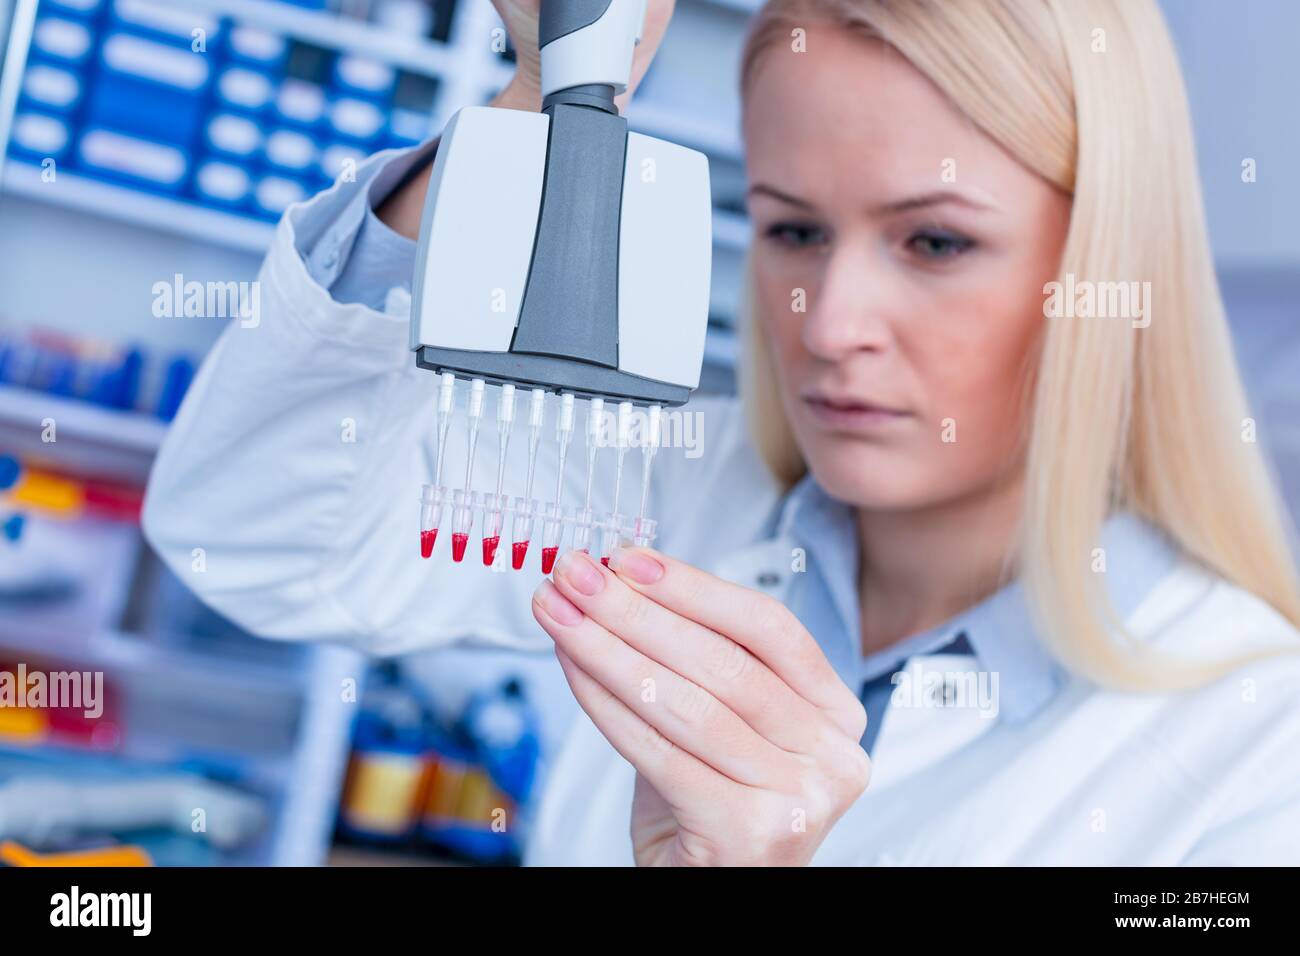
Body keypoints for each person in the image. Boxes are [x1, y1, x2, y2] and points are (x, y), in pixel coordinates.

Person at [143, 0, 1300, 865]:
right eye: (794, 232)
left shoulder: (1258, 754)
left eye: (934, 242)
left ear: (1102, 264)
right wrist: (539, 103)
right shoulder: (676, 496)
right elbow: (247, 539)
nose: (832, 324)